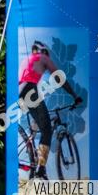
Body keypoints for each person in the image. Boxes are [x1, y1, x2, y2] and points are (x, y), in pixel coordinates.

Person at [19, 40, 82, 180]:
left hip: (19, 91)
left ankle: (33, 156)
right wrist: (74, 95)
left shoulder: (28, 59)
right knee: (47, 129)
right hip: (30, 90)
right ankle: (41, 168)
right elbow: (59, 78)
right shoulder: (44, 58)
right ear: (45, 52)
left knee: (40, 123)